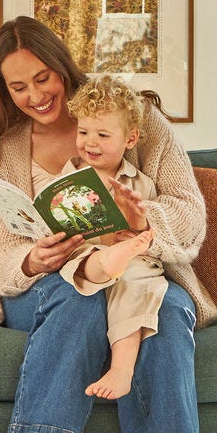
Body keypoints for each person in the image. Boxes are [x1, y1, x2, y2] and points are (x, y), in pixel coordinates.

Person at [0, 16, 217, 433]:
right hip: (51, 281)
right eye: (19, 87)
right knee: (76, 295)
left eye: (43, 78)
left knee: (169, 312)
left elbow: (190, 214)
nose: (36, 96)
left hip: (137, 271)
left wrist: (140, 222)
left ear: (63, 67)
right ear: (4, 91)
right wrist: (32, 260)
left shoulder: (138, 122)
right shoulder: (6, 150)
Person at [57, 76, 165, 401]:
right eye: (84, 132)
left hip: (130, 262)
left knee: (137, 278)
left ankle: (121, 369)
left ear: (130, 139)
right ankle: (109, 259)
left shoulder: (139, 183)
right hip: (85, 260)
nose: (91, 142)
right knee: (81, 261)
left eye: (103, 135)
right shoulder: (67, 178)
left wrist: (138, 225)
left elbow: (154, 230)